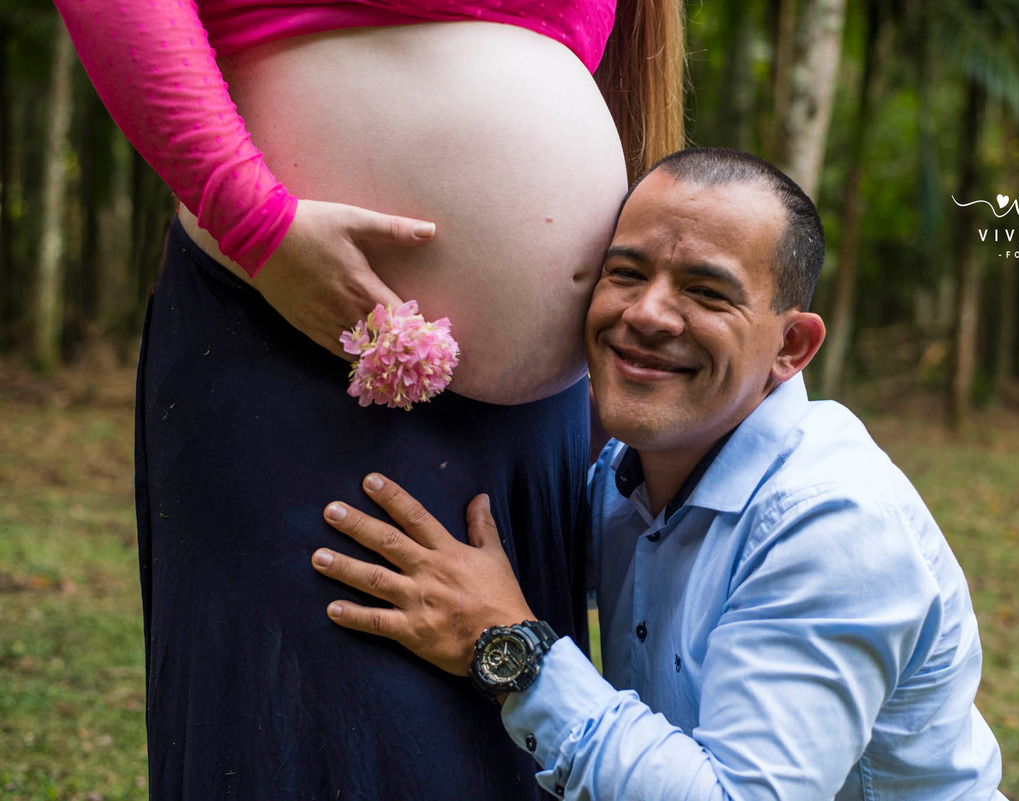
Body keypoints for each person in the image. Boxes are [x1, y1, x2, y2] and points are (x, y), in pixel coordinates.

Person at [52, 0, 684, 797]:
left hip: (536, 418)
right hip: (292, 331)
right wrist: (256, 222)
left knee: (503, 737)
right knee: (303, 737)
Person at [310, 148, 1007, 800]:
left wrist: (508, 646)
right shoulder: (627, 476)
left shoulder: (831, 522)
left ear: (791, 345)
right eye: (627, 273)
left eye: (706, 291)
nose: (645, 313)